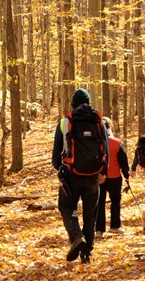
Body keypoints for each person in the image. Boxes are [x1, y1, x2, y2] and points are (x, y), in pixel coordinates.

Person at [52, 88, 109, 264]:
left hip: (71, 174)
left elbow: (56, 156)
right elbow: (105, 149)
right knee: (90, 213)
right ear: (90, 103)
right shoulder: (99, 123)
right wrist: (103, 172)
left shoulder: (64, 123)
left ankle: (77, 237)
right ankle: (86, 253)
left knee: (67, 208)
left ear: (72, 104)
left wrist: (61, 170)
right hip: (93, 174)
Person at [96, 117, 130, 237]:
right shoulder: (117, 142)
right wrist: (127, 175)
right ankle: (115, 226)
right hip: (115, 177)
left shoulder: (95, 143)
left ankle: (99, 229)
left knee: (100, 203)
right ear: (110, 127)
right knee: (115, 201)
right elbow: (123, 161)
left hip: (99, 177)